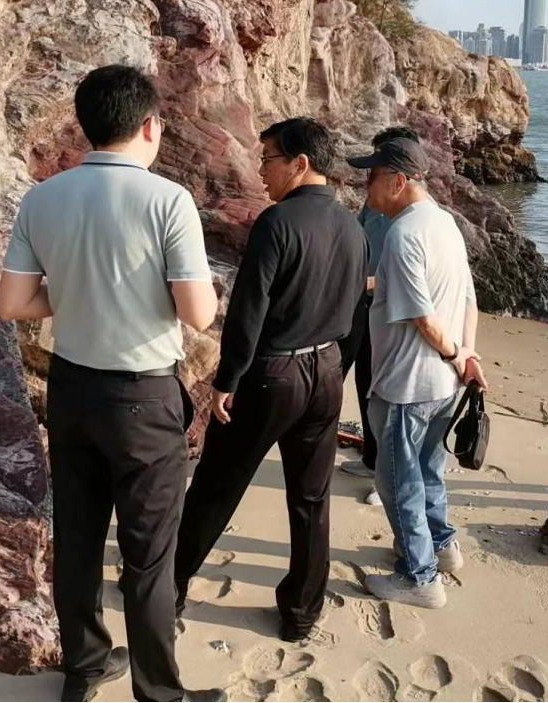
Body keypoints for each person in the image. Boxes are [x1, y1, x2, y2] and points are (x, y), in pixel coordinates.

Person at [0, 65, 225, 702]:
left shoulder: (43, 197)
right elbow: (198, 313)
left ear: (86, 125)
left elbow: (12, 303)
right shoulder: (168, 200)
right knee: (149, 553)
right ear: (149, 126)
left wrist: (75, 291)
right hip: (143, 396)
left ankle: (85, 668)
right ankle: (159, 693)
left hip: (72, 389)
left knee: (77, 535)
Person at [173, 117, 367, 642]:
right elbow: (356, 308)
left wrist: (227, 379)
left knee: (218, 482)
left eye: (268, 159)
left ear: (300, 163)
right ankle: (301, 611)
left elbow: (248, 311)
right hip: (327, 370)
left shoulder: (277, 222)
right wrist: (337, 368)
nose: (261, 171)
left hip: (274, 373)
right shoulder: (352, 226)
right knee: (311, 498)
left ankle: (170, 585)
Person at [347, 137, 488, 609]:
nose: (365, 186)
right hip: (443, 383)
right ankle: (442, 546)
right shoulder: (445, 223)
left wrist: (455, 355)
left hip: (408, 382)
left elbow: (423, 318)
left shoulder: (404, 234)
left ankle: (419, 577)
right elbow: (468, 299)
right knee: (428, 470)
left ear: (398, 181)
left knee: (397, 481)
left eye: (371, 177)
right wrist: (467, 356)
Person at [338, 127, 424, 508]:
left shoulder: (410, 216)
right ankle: (372, 458)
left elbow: (405, 278)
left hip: (390, 311)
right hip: (361, 303)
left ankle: (385, 477)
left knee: (384, 391)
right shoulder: (375, 202)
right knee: (361, 380)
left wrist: (366, 282)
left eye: (376, 169)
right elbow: (358, 238)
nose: (369, 178)